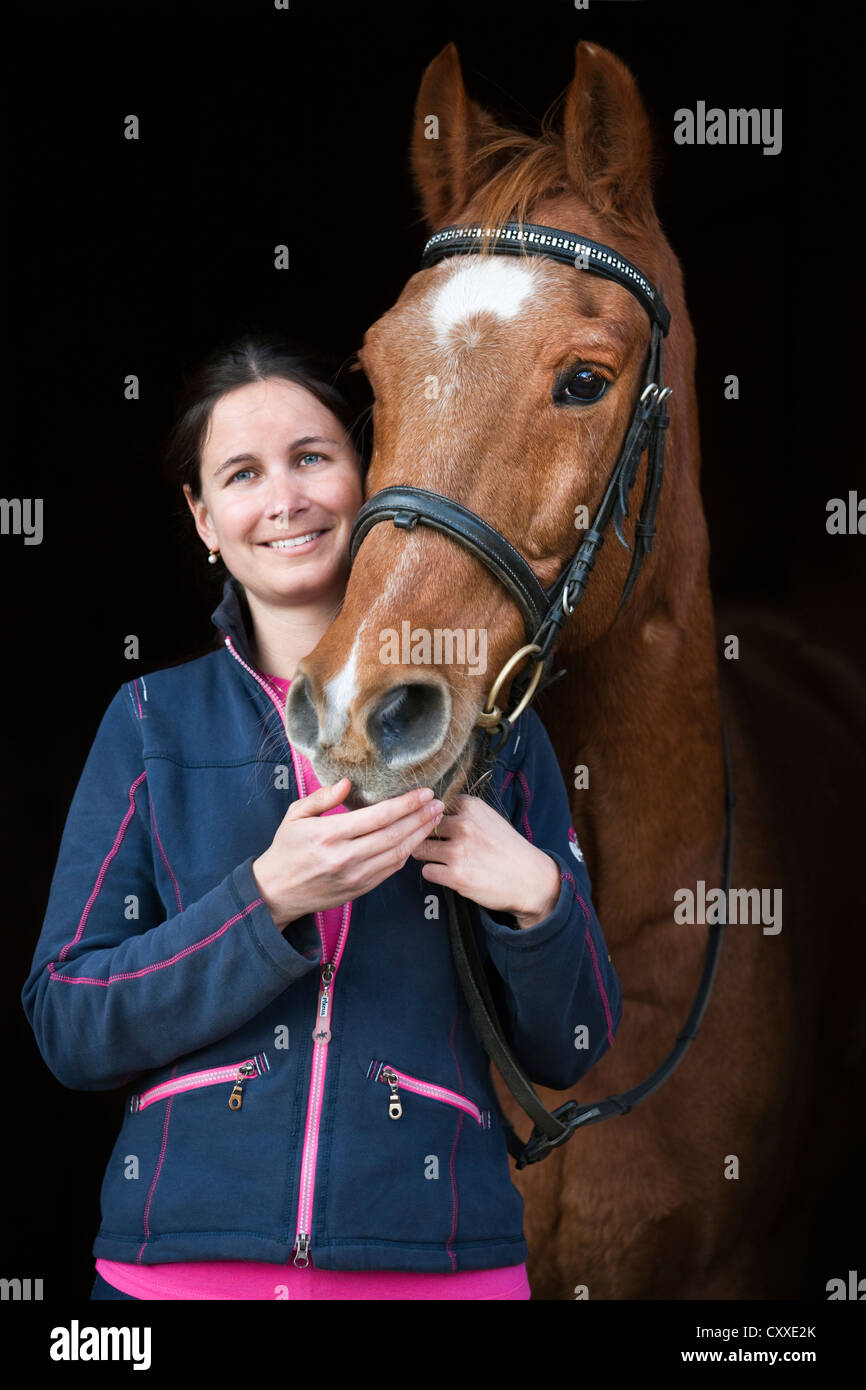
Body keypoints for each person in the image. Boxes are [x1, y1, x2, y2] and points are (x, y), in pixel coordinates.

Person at [21, 334, 622, 1301]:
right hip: (174, 1280)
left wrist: (539, 900)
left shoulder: (496, 732)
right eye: (243, 474)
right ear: (204, 518)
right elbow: (69, 1022)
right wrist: (267, 900)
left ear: (369, 476)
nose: (286, 498)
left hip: (445, 1274)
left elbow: (577, 1046)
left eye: (312, 457)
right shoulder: (148, 724)